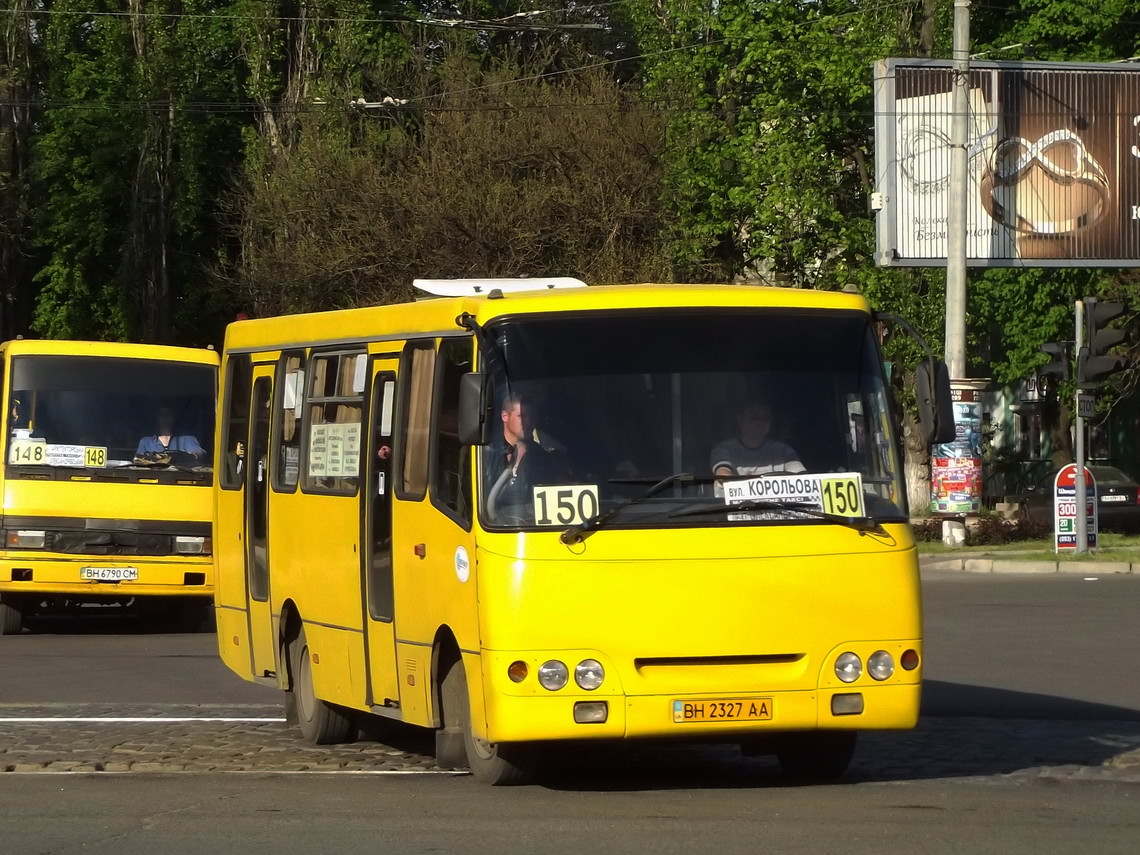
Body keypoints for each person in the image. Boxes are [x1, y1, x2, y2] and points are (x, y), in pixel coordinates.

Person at [485, 393, 564, 521]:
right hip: (492, 527)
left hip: (528, 527)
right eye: (522, 416)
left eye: (532, 417)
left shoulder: (541, 457)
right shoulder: (486, 452)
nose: (528, 422)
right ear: (505, 416)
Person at [711, 397, 805, 480]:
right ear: (740, 420)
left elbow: (802, 477)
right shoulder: (724, 449)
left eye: (766, 418)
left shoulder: (784, 450)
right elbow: (722, 475)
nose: (761, 422)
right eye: (754, 417)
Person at [136, 405, 206, 461]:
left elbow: (200, 453)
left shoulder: (187, 439)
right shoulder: (145, 442)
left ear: (174, 417)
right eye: (162, 415)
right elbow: (138, 461)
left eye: (169, 415)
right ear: (157, 418)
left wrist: (188, 455)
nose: (166, 418)